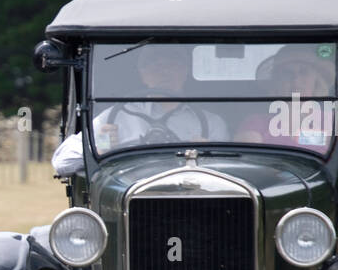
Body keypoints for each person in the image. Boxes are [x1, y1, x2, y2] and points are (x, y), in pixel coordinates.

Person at [52, 45, 229, 176]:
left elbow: (233, 173)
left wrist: (209, 157)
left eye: (173, 64)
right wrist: (102, 148)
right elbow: (62, 162)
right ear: (142, 74)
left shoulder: (209, 123)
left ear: (186, 71)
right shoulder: (118, 117)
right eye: (154, 66)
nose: (164, 72)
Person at [234, 48, 338, 173]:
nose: (296, 80)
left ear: (316, 80)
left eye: (304, 72)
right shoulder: (257, 121)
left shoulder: (336, 121)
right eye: (287, 74)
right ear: (276, 83)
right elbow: (241, 157)